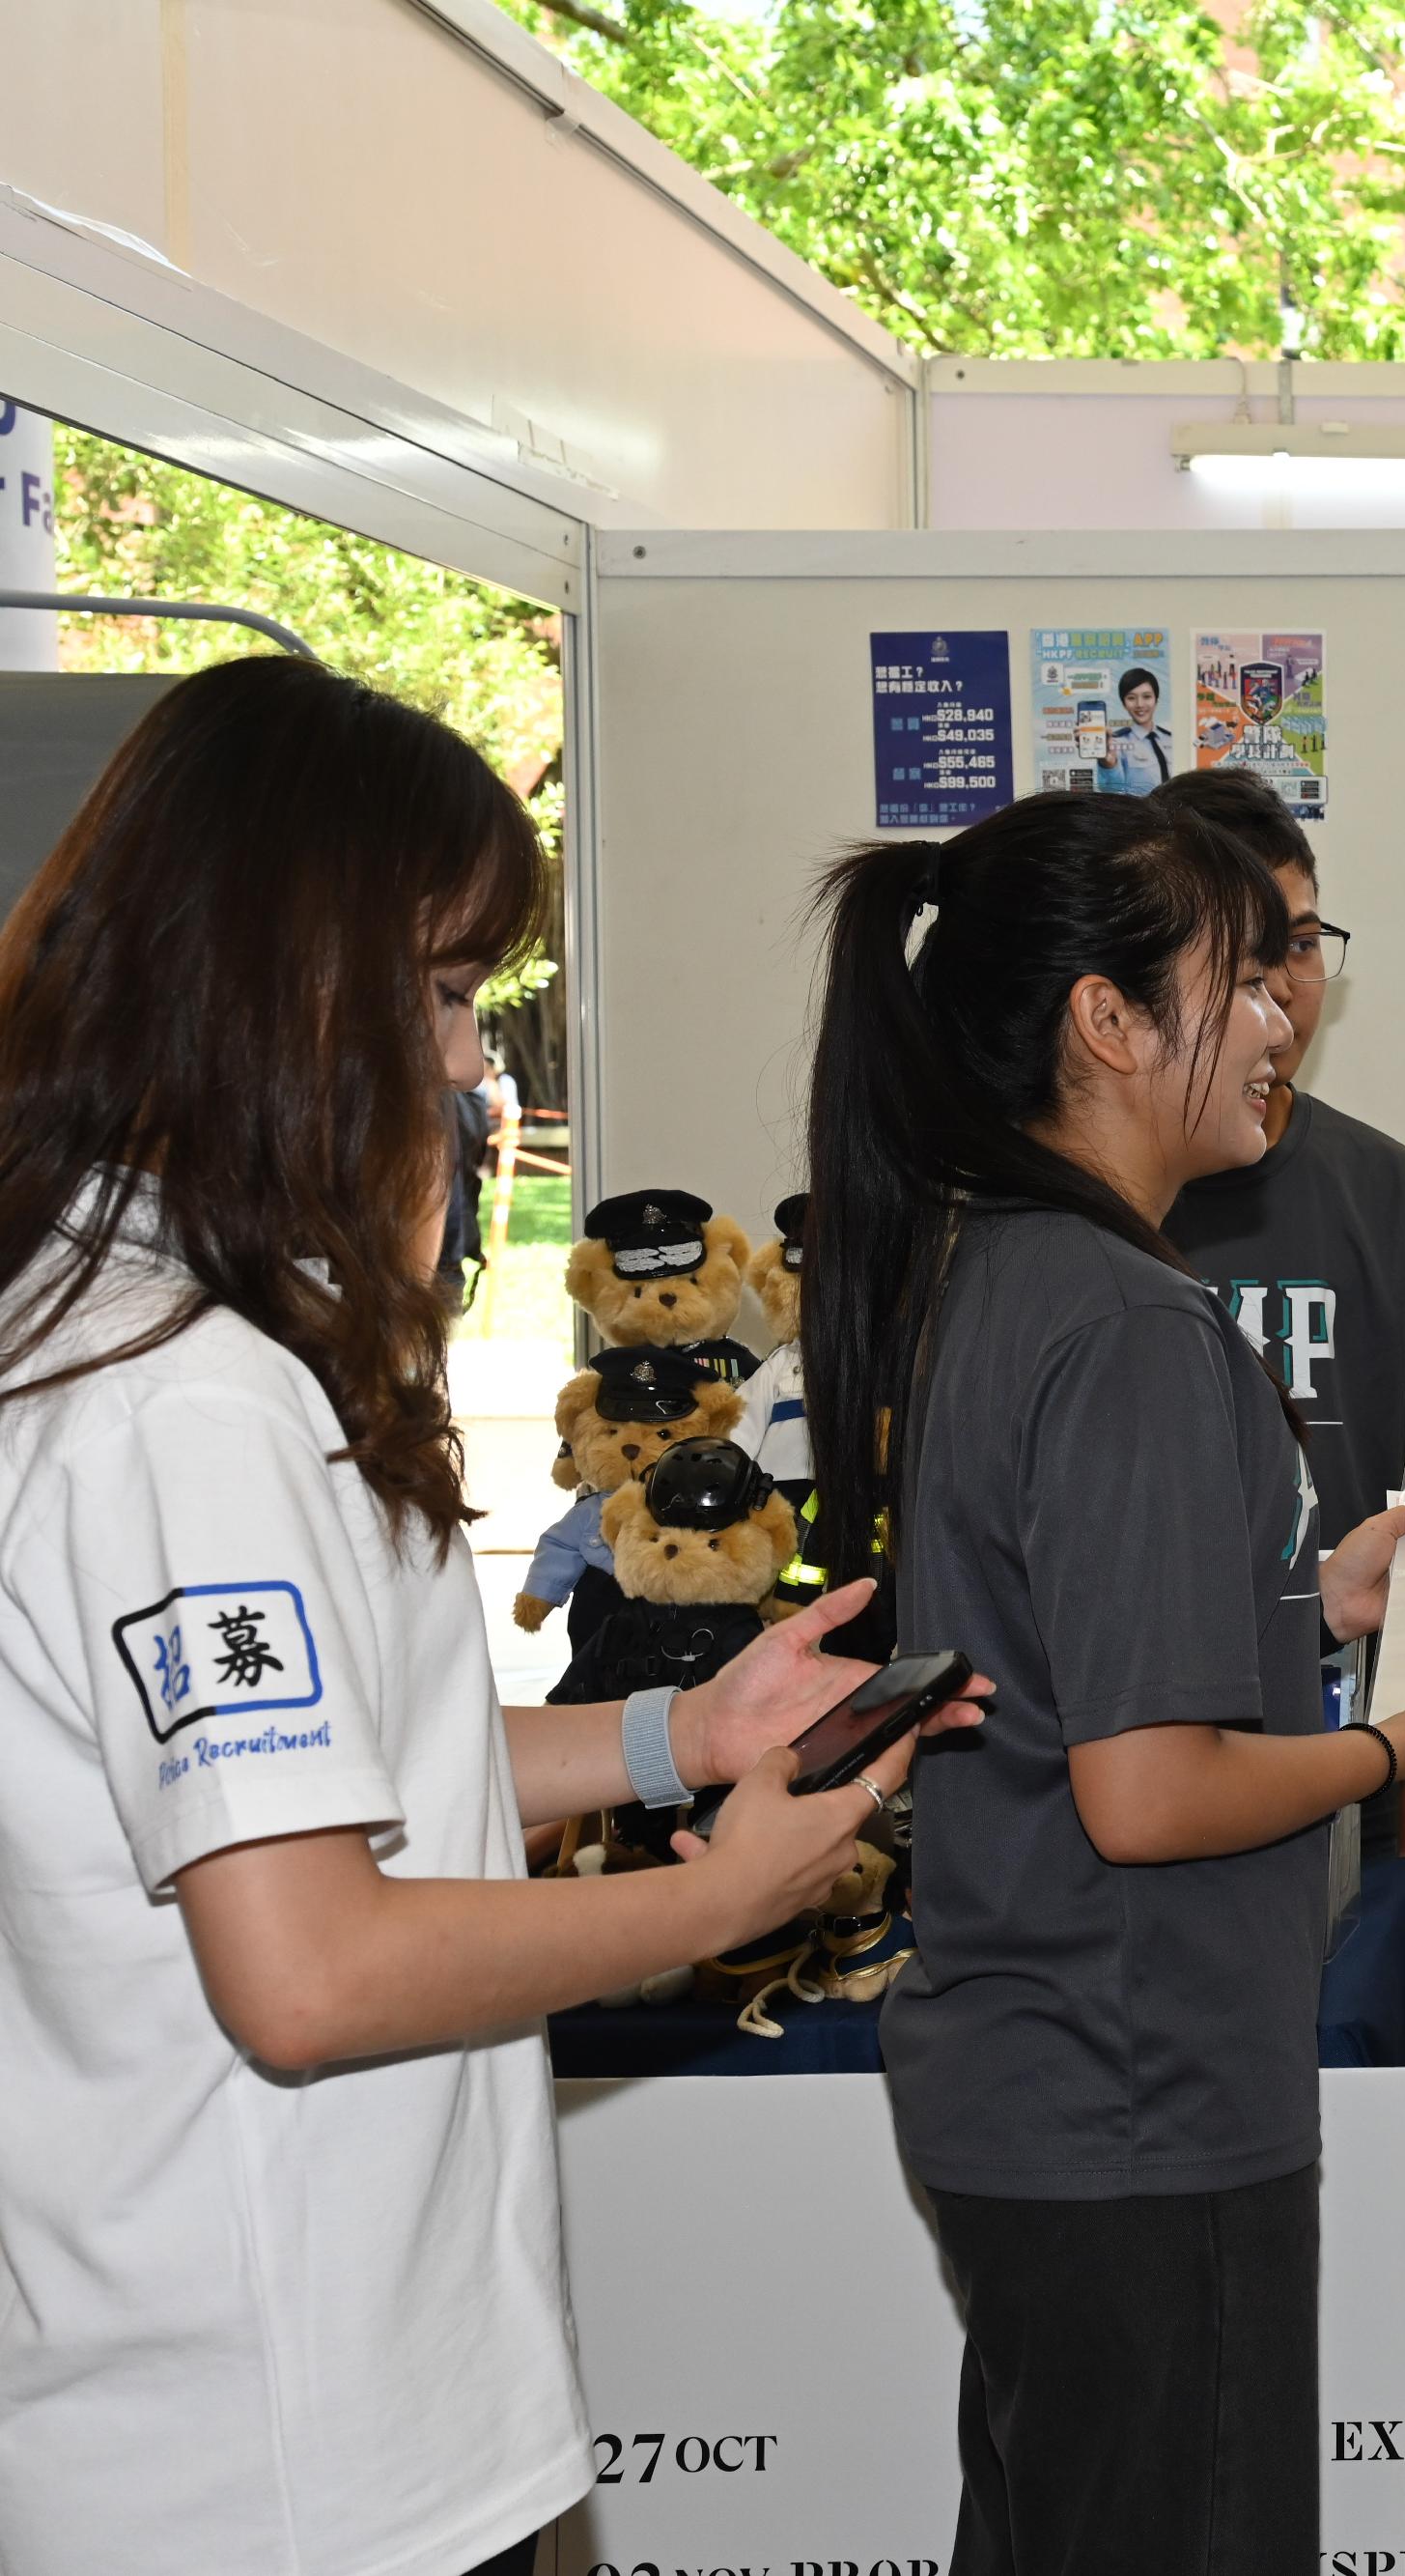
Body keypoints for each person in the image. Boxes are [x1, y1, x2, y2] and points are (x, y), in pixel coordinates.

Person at [0, 654, 940, 2576]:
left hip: (337, 2422)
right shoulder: (176, 1392)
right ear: (287, 979)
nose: (460, 1059)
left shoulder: (183, 1324)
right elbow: (311, 1961)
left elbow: (331, 1775)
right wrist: (710, 1896)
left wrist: (679, 1738)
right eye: (438, 990)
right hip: (270, 2463)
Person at [800, 785, 1405, 2576]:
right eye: (1244, 979)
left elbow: (1056, 1657)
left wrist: (1313, 1607)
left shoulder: (1003, 1271)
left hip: (1049, 2086)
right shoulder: (1134, 1321)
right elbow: (1147, 1790)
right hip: (1138, 2098)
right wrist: (1402, 1738)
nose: (1281, 1017)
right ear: (1108, 1018)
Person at [1159, 765, 1405, 1885]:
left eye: (1302, 946)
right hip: (1116, 1776)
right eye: (1244, 959)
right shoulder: (1061, 1220)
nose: (1283, 992)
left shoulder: (1391, 1195)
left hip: (1345, 1773)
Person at [1105, 666, 1179, 791]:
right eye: (1131, 698)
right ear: (1124, 703)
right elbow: (1111, 790)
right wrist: (1107, 765)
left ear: (1156, 700)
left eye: (1147, 696)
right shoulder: (1116, 743)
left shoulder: (1172, 739)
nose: (1140, 704)